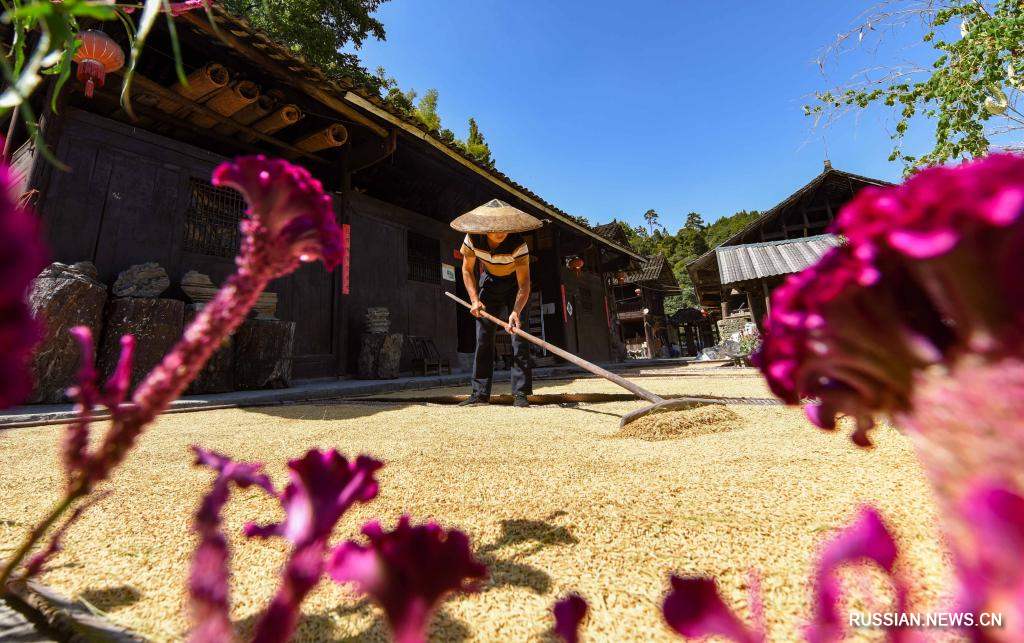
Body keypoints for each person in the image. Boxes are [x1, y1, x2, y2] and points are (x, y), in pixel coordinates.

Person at [449, 199, 542, 407]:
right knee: (483, 337)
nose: (500, 232)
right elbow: (467, 270)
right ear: (485, 227)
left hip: (515, 286)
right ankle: (480, 394)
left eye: (504, 227)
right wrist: (474, 300)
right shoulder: (472, 238)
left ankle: (520, 393)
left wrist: (516, 311)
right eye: (495, 228)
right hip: (489, 283)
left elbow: (524, 285)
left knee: (518, 336)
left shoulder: (518, 244)